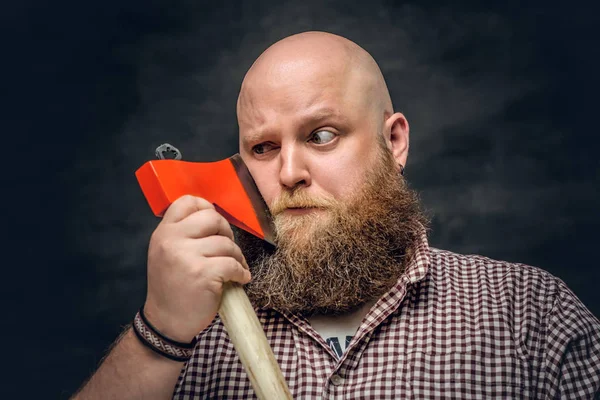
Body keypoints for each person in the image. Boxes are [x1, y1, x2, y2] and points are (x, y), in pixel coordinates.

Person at [73, 31, 600, 399]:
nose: (289, 172)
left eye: (321, 135)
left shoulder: (530, 318)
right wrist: (158, 333)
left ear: (393, 141)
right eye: (261, 148)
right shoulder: (186, 336)